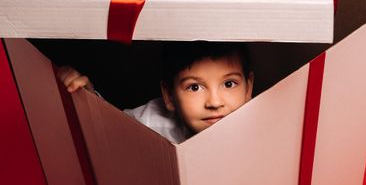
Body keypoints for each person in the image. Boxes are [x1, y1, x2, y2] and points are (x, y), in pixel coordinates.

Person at [57, 42, 254, 143]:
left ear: (248, 88)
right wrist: (87, 99)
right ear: (169, 96)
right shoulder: (152, 121)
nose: (214, 102)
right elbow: (110, 131)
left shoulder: (267, 126)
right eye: (194, 87)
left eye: (229, 84)